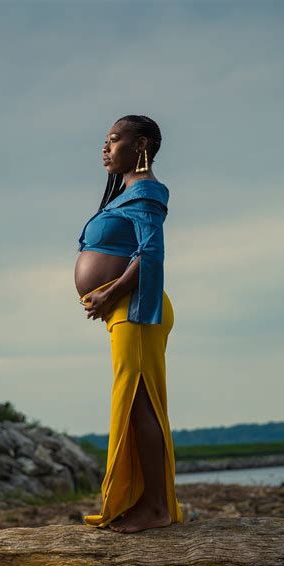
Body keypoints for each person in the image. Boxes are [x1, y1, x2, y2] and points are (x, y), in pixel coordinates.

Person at [74, 114, 184, 533]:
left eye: (114, 139)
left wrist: (110, 292)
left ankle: (154, 507)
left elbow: (151, 252)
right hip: (126, 312)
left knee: (140, 404)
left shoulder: (146, 189)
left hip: (137, 309)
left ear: (140, 145)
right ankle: (143, 501)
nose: (105, 147)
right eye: (105, 140)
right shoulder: (127, 193)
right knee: (135, 403)